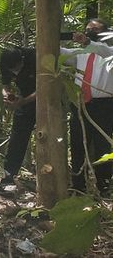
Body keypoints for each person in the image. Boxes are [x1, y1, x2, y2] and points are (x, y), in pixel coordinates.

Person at [60, 18, 113, 193]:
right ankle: (78, 186)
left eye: (95, 30)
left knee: (102, 146)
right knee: (77, 144)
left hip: (103, 106)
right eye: (88, 29)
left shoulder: (109, 52)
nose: (90, 32)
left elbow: (102, 50)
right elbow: (60, 52)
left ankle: (103, 185)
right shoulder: (79, 53)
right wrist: (53, 36)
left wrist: (89, 41)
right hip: (80, 103)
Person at [0, 46, 37, 186]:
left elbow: (45, 86)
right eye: (12, 70)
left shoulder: (34, 56)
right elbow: (5, 85)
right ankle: (8, 175)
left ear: (22, 60)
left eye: (17, 67)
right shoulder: (5, 63)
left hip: (46, 101)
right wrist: (7, 95)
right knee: (17, 139)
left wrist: (24, 101)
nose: (15, 72)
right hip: (24, 100)